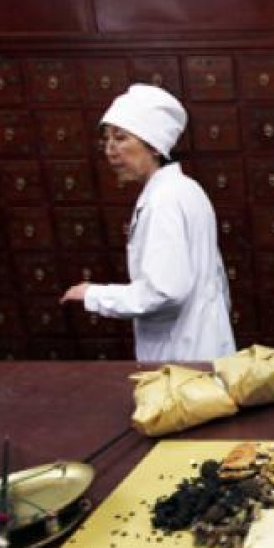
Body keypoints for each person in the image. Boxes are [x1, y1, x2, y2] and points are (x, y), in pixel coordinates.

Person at [61, 84, 236, 362]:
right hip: (205, 344)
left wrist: (93, 295)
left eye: (121, 139)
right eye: (106, 140)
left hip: (182, 356)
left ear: (154, 146)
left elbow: (164, 291)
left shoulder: (164, 201)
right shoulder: (186, 188)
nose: (110, 150)